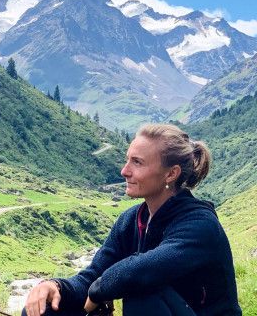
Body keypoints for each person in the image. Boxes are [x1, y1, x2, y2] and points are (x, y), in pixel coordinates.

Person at [23, 124, 241, 316]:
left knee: (143, 294)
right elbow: (92, 277)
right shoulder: (131, 221)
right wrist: (56, 287)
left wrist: (98, 293)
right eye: (127, 160)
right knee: (45, 306)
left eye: (137, 162)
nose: (124, 171)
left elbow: (139, 273)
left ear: (171, 174)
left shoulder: (200, 225)